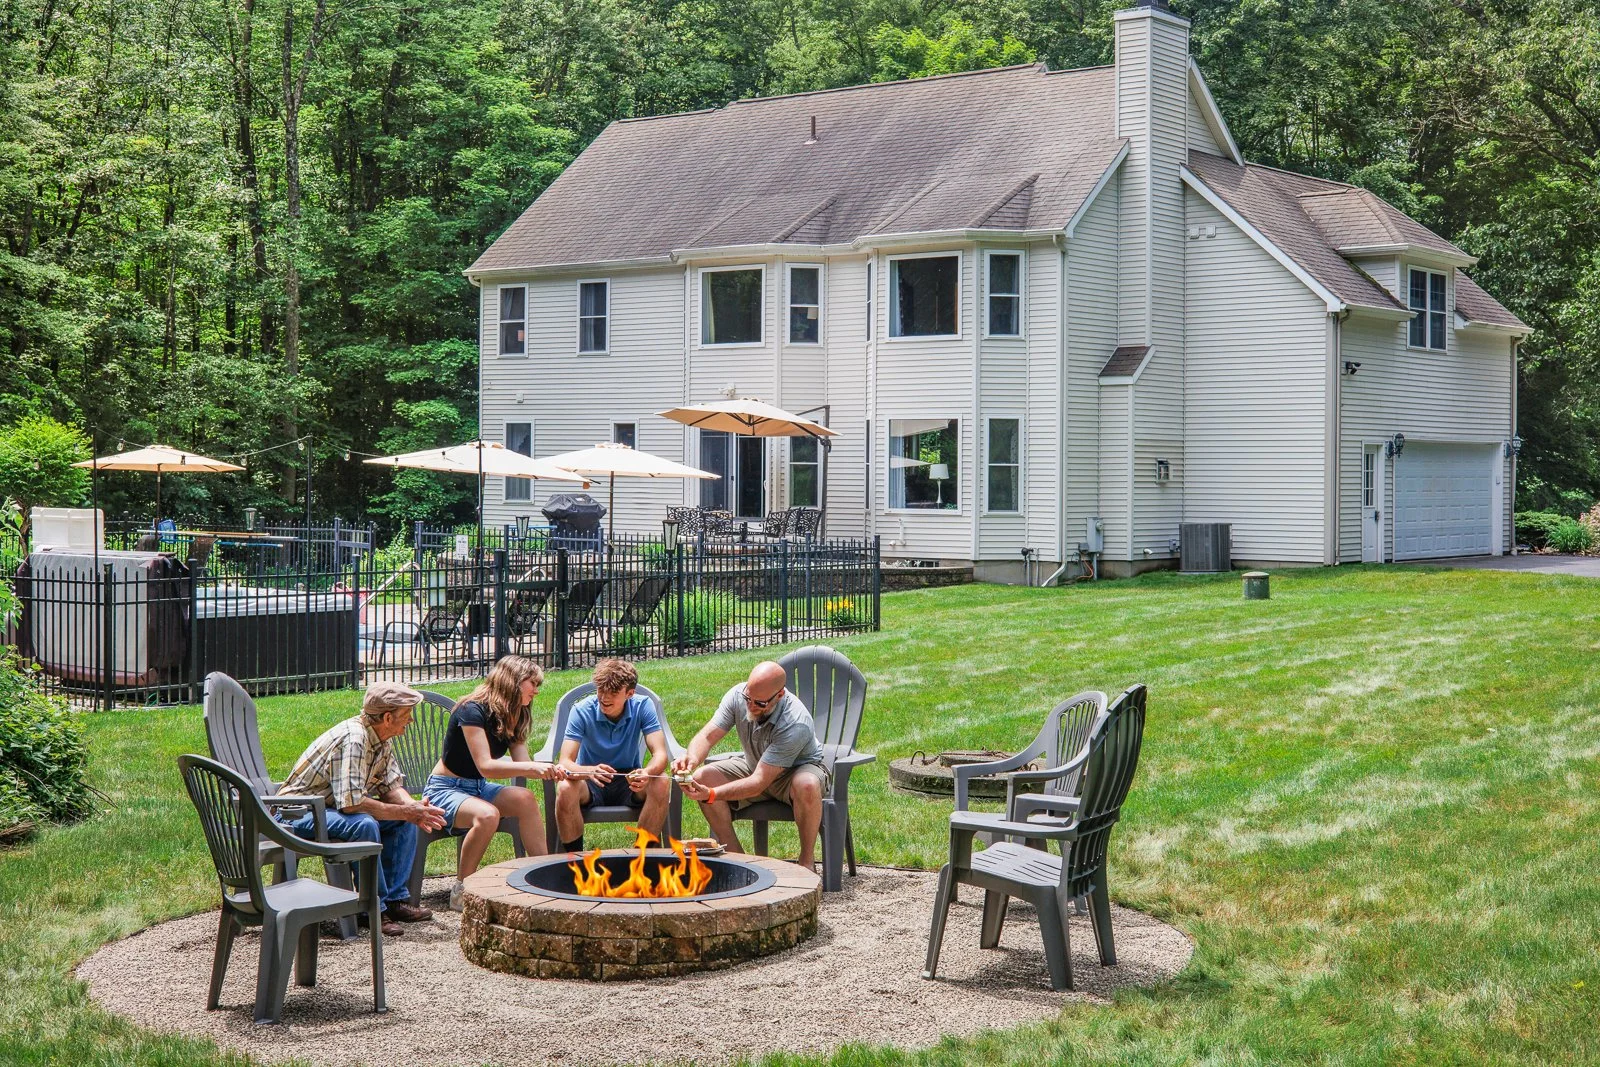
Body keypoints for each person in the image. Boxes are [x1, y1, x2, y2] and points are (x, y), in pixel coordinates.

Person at [277, 681, 447, 937]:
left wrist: (412, 807)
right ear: (388, 717)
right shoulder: (355, 739)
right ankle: (372, 909)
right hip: (296, 814)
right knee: (364, 824)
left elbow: (391, 786)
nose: (410, 721)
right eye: (407, 715)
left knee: (405, 820)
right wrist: (405, 811)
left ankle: (395, 901)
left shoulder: (381, 738)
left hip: (327, 810)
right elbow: (352, 804)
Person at [422, 655, 567, 912]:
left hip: (477, 788)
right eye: (532, 683)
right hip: (445, 789)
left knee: (525, 799)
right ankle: (461, 889)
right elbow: (485, 766)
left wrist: (553, 771)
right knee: (488, 815)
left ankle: (545, 876)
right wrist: (533, 767)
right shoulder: (471, 710)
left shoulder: (516, 714)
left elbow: (522, 763)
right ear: (512, 682)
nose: (536, 690)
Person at [674, 660, 827, 870]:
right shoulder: (737, 695)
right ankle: (739, 859)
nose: (751, 706)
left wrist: (710, 794)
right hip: (756, 766)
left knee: (807, 784)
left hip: (794, 773)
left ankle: (807, 863)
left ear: (779, 695)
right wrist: (691, 758)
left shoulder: (795, 722)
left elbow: (758, 782)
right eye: (748, 698)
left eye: (760, 703)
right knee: (702, 776)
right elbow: (708, 736)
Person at [554, 659, 671, 852]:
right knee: (566, 787)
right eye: (600, 690)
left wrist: (647, 772)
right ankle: (574, 862)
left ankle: (641, 858)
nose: (604, 698)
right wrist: (589, 771)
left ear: (630, 694)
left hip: (628, 779)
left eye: (613, 693)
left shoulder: (643, 706)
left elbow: (660, 753)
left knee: (661, 781)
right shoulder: (581, 710)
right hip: (590, 780)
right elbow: (565, 761)